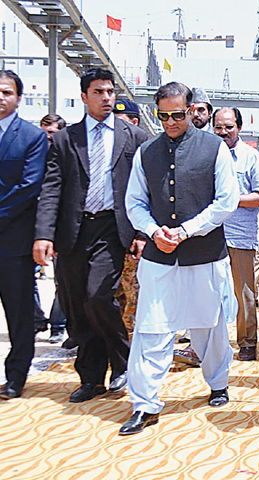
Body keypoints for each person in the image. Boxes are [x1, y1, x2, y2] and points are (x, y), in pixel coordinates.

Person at [121, 81, 239, 435]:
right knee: (151, 327)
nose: (171, 122)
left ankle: (218, 383)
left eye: (177, 115)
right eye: (164, 116)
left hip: (204, 254)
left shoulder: (214, 148)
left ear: (191, 110)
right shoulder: (147, 152)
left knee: (209, 325)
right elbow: (134, 202)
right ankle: (144, 403)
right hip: (159, 255)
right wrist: (153, 230)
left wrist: (187, 231)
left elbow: (227, 201)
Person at [33, 68, 148, 403]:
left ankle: (122, 361)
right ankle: (91, 378)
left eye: (110, 91)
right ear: (84, 97)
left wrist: (141, 231)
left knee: (99, 296)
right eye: (98, 92)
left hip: (112, 228)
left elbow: (146, 190)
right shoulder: (66, 139)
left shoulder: (134, 137)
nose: (106, 98)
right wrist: (44, 234)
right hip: (74, 231)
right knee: (77, 307)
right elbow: (52, 188)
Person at [0, 71, 48, 399]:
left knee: (18, 315)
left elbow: (29, 186)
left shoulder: (32, 137)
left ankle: (15, 376)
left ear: (18, 97)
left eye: (6, 92)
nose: (0, 97)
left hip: (13, 241)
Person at [214, 107, 259, 361]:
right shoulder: (207, 154)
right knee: (208, 291)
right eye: (218, 127)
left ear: (239, 128)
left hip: (239, 237)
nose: (223, 132)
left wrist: (231, 200)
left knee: (244, 293)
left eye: (228, 127)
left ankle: (247, 342)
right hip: (209, 234)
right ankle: (205, 343)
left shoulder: (251, 158)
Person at [113, 99, 147, 335]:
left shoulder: (144, 152)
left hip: (133, 241)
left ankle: (131, 344)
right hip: (109, 238)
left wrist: (141, 234)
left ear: (134, 123)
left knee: (134, 296)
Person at [36, 113, 67, 343]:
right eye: (44, 134)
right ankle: (36, 319)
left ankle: (59, 324)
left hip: (57, 228)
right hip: (31, 226)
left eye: (52, 134)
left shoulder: (65, 159)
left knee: (62, 281)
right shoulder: (33, 156)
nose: (48, 139)